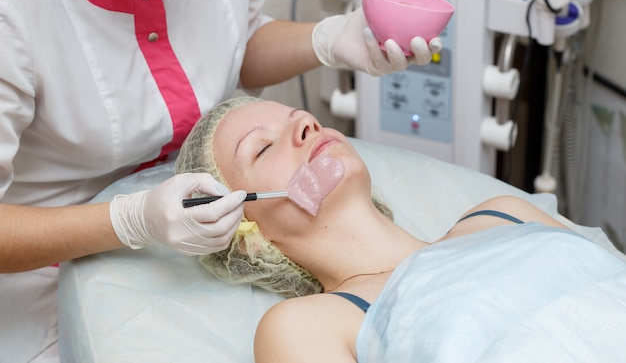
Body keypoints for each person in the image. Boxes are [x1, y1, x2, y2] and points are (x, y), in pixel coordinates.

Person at [0, 0, 444, 361]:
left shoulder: (491, 218)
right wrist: (132, 219)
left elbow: (236, 43)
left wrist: (326, 39)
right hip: (39, 277)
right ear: (254, 240)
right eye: (263, 147)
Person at [175, 96, 626, 363]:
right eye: (263, 147)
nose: (305, 124)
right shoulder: (306, 326)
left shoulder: (503, 214)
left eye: (299, 115)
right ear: (247, 235)